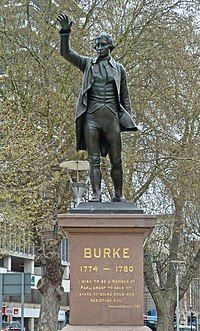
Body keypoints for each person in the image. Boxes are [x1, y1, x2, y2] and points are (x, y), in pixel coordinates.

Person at [57, 13, 137, 202]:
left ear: (110, 46)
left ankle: (118, 195)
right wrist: (65, 32)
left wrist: (128, 118)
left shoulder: (119, 69)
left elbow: (125, 96)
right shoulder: (87, 64)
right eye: (97, 45)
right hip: (91, 118)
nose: (99, 48)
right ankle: (96, 194)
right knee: (93, 160)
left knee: (116, 160)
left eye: (103, 45)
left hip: (112, 119)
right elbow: (66, 53)